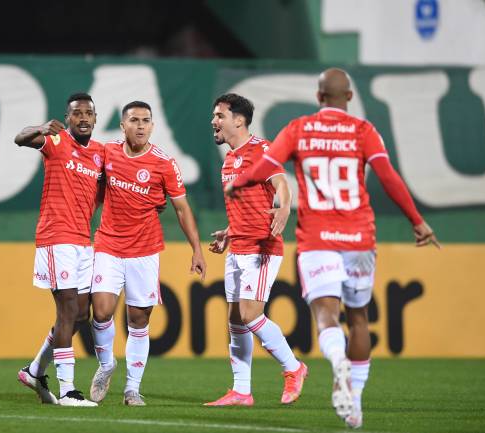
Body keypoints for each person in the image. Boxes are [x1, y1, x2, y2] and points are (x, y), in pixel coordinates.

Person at [226, 68, 440, 428]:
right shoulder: (364, 131)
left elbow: (267, 165)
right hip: (360, 236)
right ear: (350, 98)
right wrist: (416, 220)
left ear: (319, 97)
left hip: (317, 238)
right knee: (359, 318)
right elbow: (388, 176)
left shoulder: (300, 128)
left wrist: (241, 181)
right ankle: (353, 400)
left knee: (326, 315)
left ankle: (336, 361)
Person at [88, 101, 207, 406]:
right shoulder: (107, 152)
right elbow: (95, 192)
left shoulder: (164, 163)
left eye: (146, 120)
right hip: (108, 244)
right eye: (134, 120)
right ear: (122, 125)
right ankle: (106, 365)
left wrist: (197, 249)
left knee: (138, 319)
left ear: (152, 126)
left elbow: (182, 209)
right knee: (100, 311)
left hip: (144, 250)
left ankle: (132, 389)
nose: (140, 125)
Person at [204, 94, 308, 407]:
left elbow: (280, 183)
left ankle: (294, 367)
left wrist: (285, 206)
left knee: (251, 315)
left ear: (239, 120)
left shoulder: (263, 150)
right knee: (236, 319)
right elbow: (247, 205)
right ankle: (241, 391)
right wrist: (229, 231)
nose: (214, 121)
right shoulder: (229, 160)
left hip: (262, 247)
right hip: (239, 246)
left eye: (220, 115)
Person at [14, 92, 104, 407]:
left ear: (95, 118)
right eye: (76, 113)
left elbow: (105, 191)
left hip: (83, 241)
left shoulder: (99, 154)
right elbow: (20, 138)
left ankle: (35, 370)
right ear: (67, 118)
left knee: (80, 314)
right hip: (56, 237)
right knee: (66, 310)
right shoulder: (56, 142)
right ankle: (68, 390)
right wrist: (40, 127)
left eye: (88, 113)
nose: (82, 118)